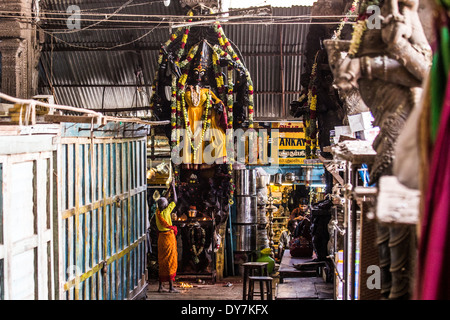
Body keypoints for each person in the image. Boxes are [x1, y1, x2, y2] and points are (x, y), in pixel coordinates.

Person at [155, 182, 179, 293]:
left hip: (161, 239)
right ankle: (171, 287)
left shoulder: (158, 212)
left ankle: (160, 286)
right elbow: (175, 200)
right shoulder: (166, 211)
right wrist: (174, 188)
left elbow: (165, 199)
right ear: (165, 206)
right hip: (168, 239)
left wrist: (169, 188)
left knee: (162, 261)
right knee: (170, 261)